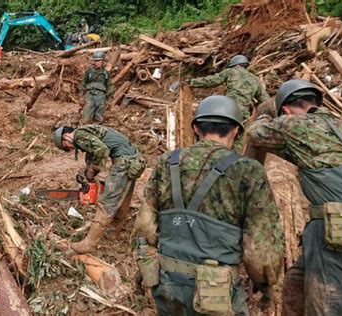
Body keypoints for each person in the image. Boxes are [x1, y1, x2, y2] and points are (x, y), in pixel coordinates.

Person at [132, 95, 284, 315]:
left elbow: (145, 225)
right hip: (217, 294)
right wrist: (267, 285)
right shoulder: (247, 170)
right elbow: (260, 250)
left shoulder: (168, 162)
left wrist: (145, 268)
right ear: (235, 131)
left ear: (196, 128)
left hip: (167, 284)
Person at [246, 79, 342, 315]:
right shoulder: (340, 127)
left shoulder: (295, 124)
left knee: (329, 307)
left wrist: (263, 115)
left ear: (287, 111)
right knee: (295, 285)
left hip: (338, 233)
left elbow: (255, 135)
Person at [53, 124, 146, 253]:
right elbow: (96, 150)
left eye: (66, 147)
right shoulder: (87, 132)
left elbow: (102, 150)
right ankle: (112, 232)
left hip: (124, 161)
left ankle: (89, 243)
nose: (70, 148)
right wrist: (90, 171)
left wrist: (93, 169)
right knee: (123, 197)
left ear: (65, 137)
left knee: (107, 201)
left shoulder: (79, 135)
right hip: (133, 159)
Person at [190, 55, 270, 152]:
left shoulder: (231, 72)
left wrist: (192, 82)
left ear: (234, 65)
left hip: (228, 110)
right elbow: (265, 100)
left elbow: (212, 80)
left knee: (218, 134)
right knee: (238, 141)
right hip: (243, 114)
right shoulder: (255, 79)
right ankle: (234, 160)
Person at [80, 51, 112, 124]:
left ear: (102, 61)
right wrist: (81, 95)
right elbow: (83, 83)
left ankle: (96, 129)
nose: (97, 62)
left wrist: (109, 97)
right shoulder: (89, 71)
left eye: (99, 60)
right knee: (86, 116)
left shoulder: (106, 73)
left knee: (99, 116)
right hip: (90, 94)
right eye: (95, 61)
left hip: (101, 95)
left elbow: (109, 85)